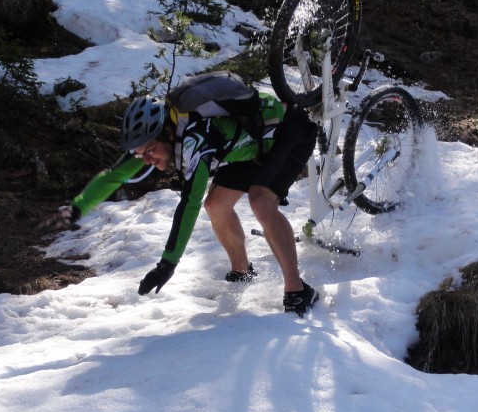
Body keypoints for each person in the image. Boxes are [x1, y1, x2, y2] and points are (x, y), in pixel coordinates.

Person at [39, 84, 320, 316]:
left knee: (260, 201)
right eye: (140, 154)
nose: (146, 160)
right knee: (217, 205)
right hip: (249, 147)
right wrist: (77, 209)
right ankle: (242, 271)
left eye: (149, 151)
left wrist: (167, 264)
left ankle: (297, 290)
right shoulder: (162, 136)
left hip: (287, 132)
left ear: (166, 133)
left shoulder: (193, 140)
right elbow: (114, 176)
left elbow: (189, 203)